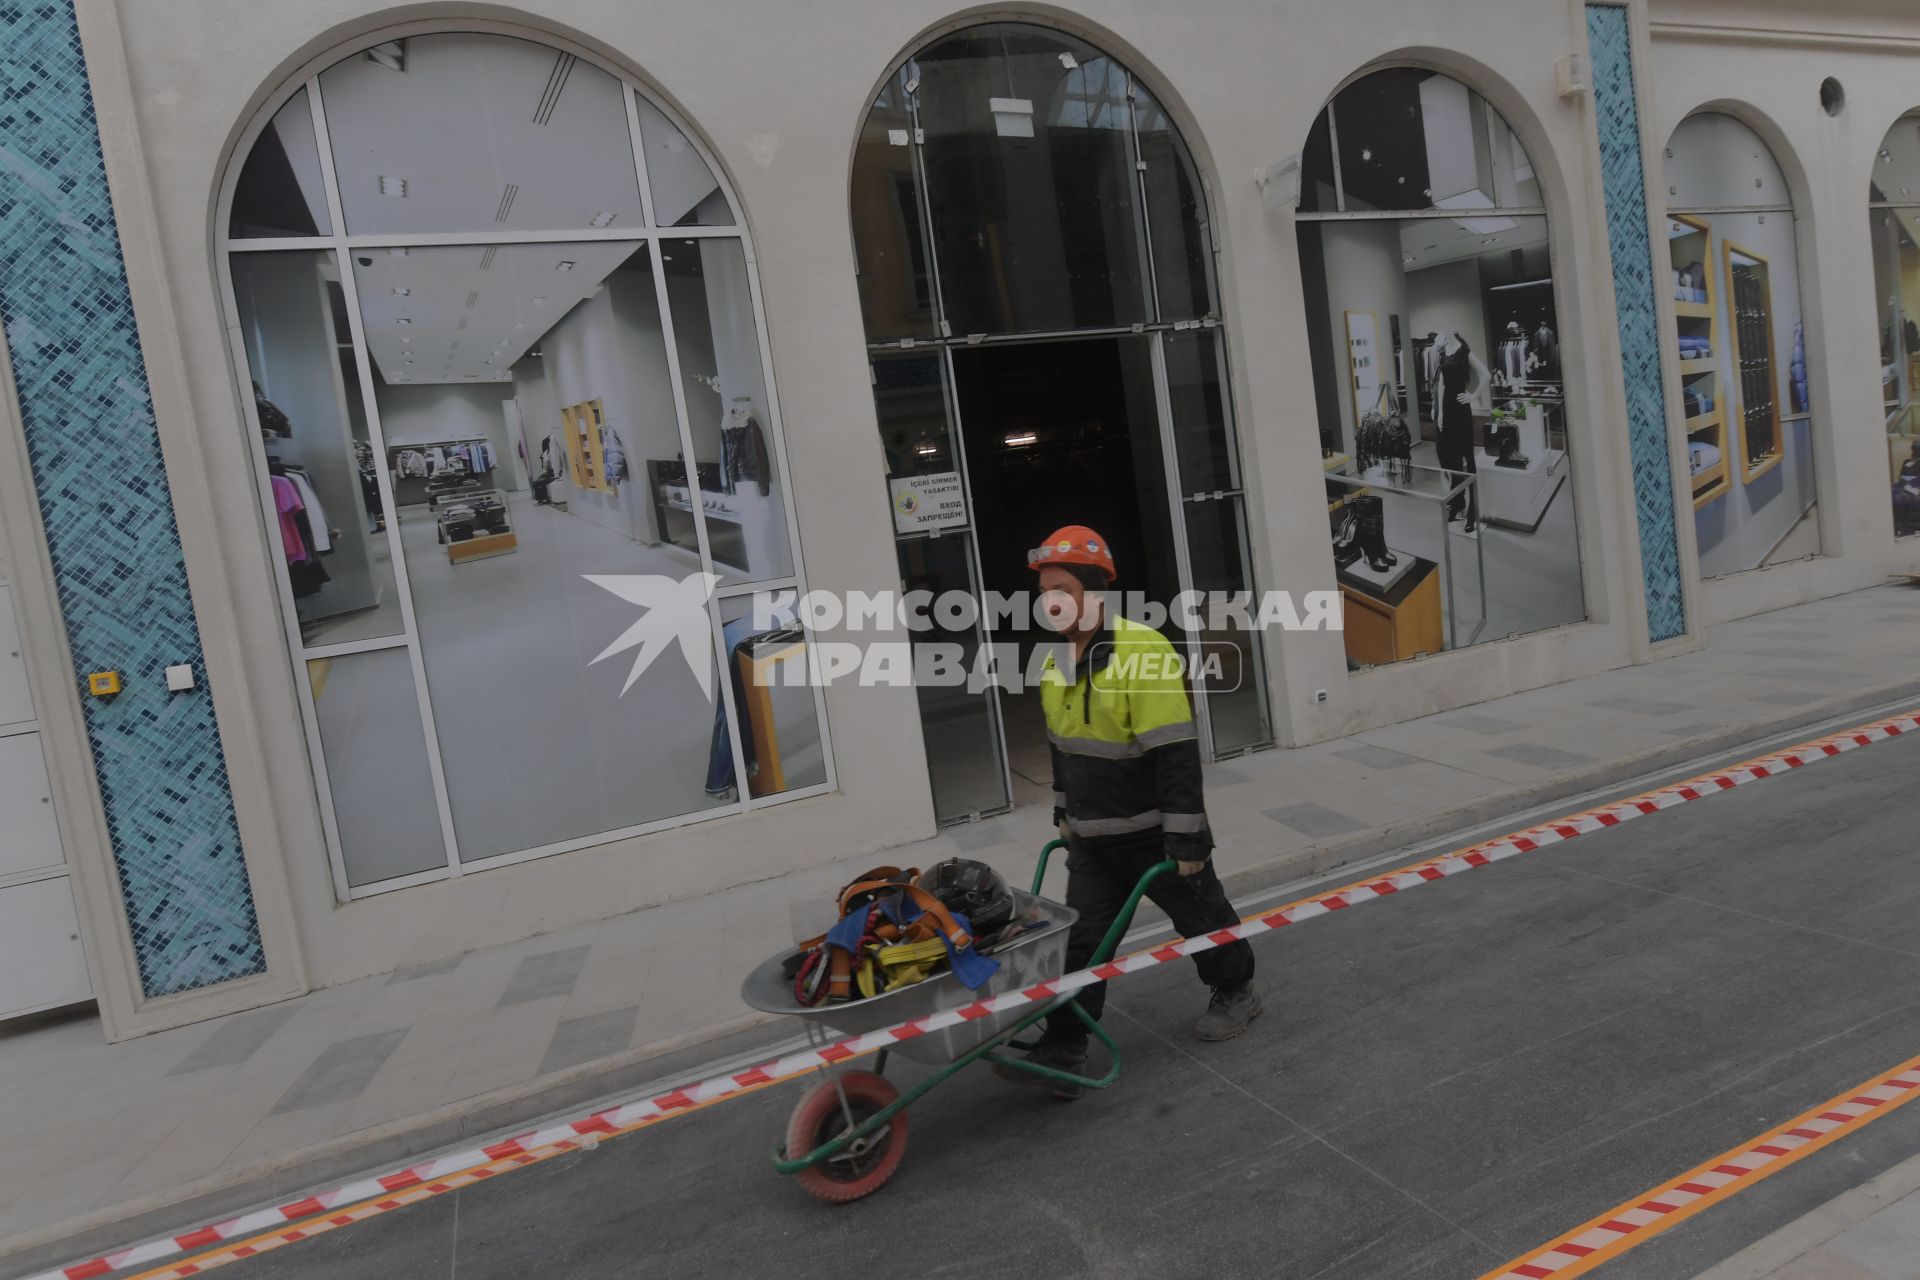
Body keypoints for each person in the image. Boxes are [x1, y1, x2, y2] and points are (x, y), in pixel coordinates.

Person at [998, 525, 1260, 1097]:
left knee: (1203, 921)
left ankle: (1236, 990)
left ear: (1094, 591)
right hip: (1093, 841)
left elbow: (1174, 753)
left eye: (1062, 588)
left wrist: (1187, 841)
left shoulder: (1142, 651)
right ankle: (1067, 1045)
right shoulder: (1054, 661)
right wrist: (1064, 813)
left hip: (1154, 836)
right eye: (1045, 592)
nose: (1051, 601)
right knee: (1080, 946)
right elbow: (1062, 749)